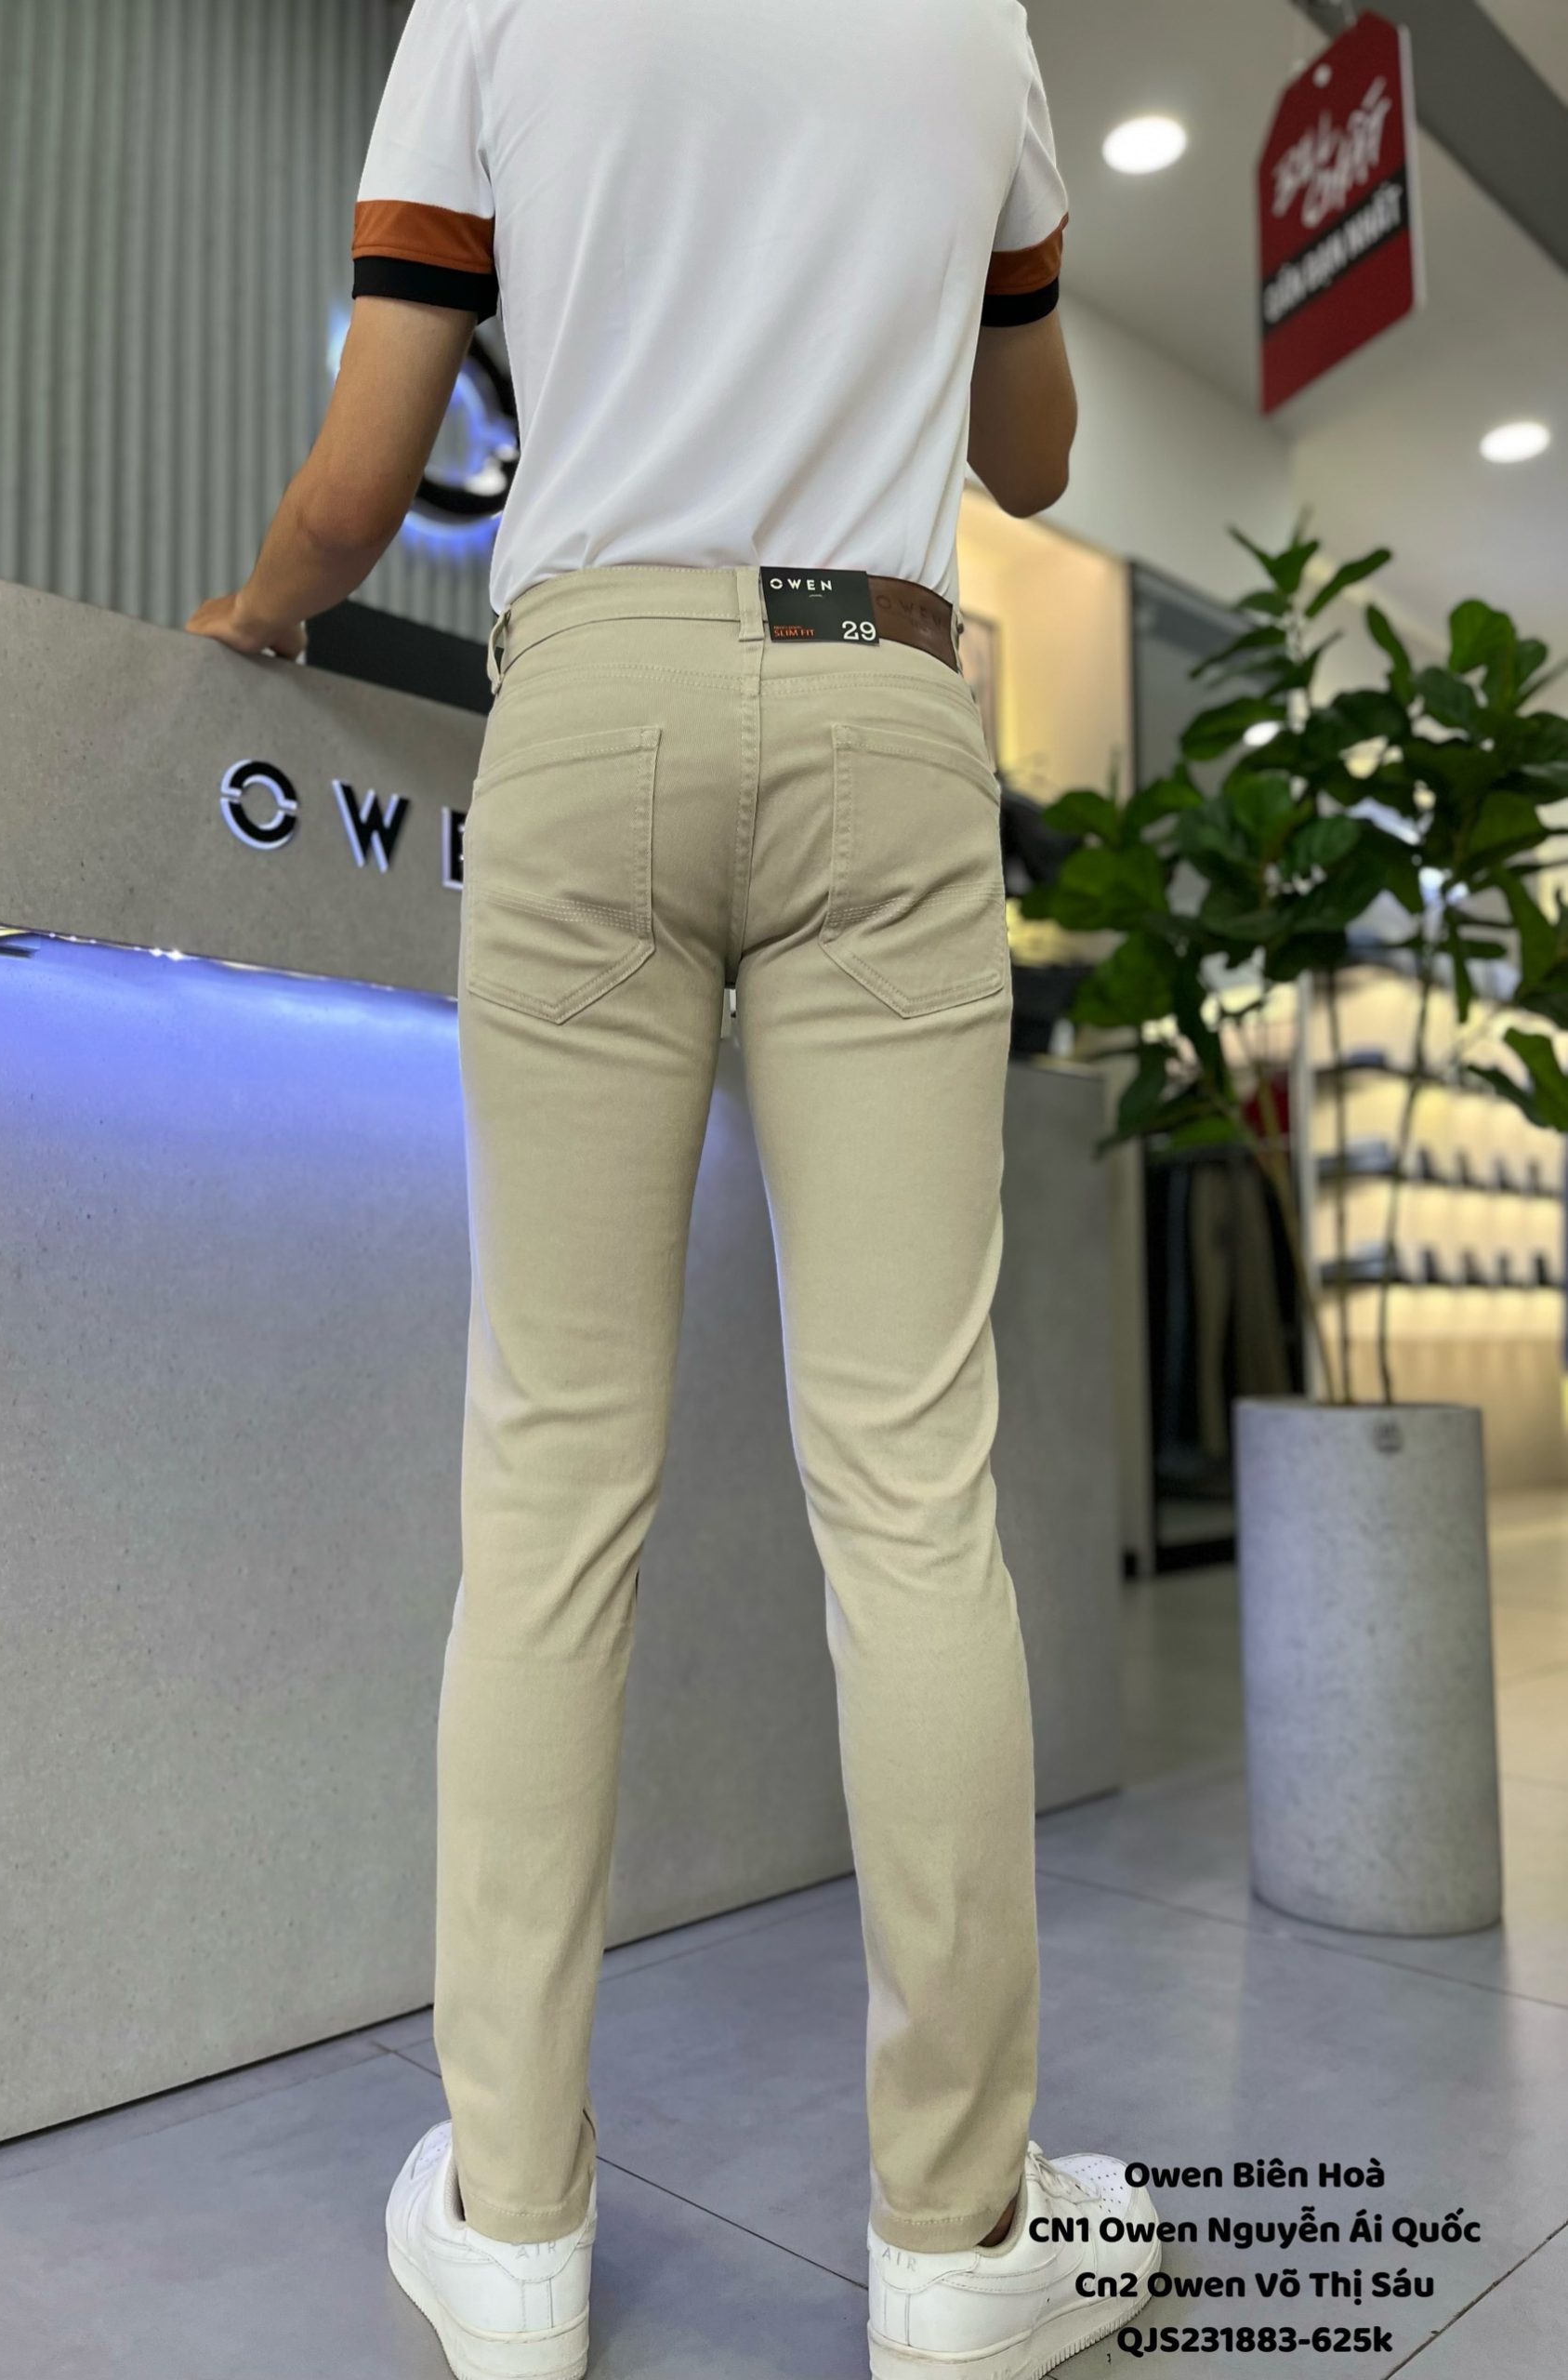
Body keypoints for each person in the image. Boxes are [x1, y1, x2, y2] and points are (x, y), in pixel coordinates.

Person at [190, 3, 1160, 2373]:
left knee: (548, 1493)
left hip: (593, 699)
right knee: (910, 1497)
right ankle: (960, 2242)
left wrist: (269, 609)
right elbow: (1033, 451)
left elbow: (364, 472)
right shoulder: (977, 21)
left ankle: (512, 2226)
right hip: (883, 702)